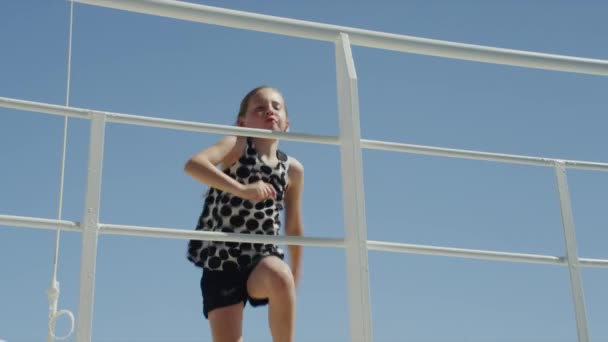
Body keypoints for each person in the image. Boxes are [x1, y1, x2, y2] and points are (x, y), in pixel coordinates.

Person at [185, 86, 304, 342]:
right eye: (259, 108)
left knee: (281, 276)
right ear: (242, 122)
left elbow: (293, 225)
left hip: (261, 259)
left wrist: (297, 272)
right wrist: (241, 189)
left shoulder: (292, 169)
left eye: (276, 106)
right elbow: (194, 164)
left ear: (287, 124)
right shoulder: (236, 144)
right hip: (222, 261)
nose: (269, 111)